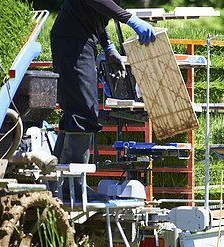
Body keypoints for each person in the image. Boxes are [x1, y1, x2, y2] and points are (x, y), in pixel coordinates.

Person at [50, 0, 155, 200]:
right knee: (84, 111)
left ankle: (57, 185)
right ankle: (73, 188)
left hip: (78, 37)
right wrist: (129, 18)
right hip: (73, 39)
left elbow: (96, 12)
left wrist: (107, 45)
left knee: (74, 110)